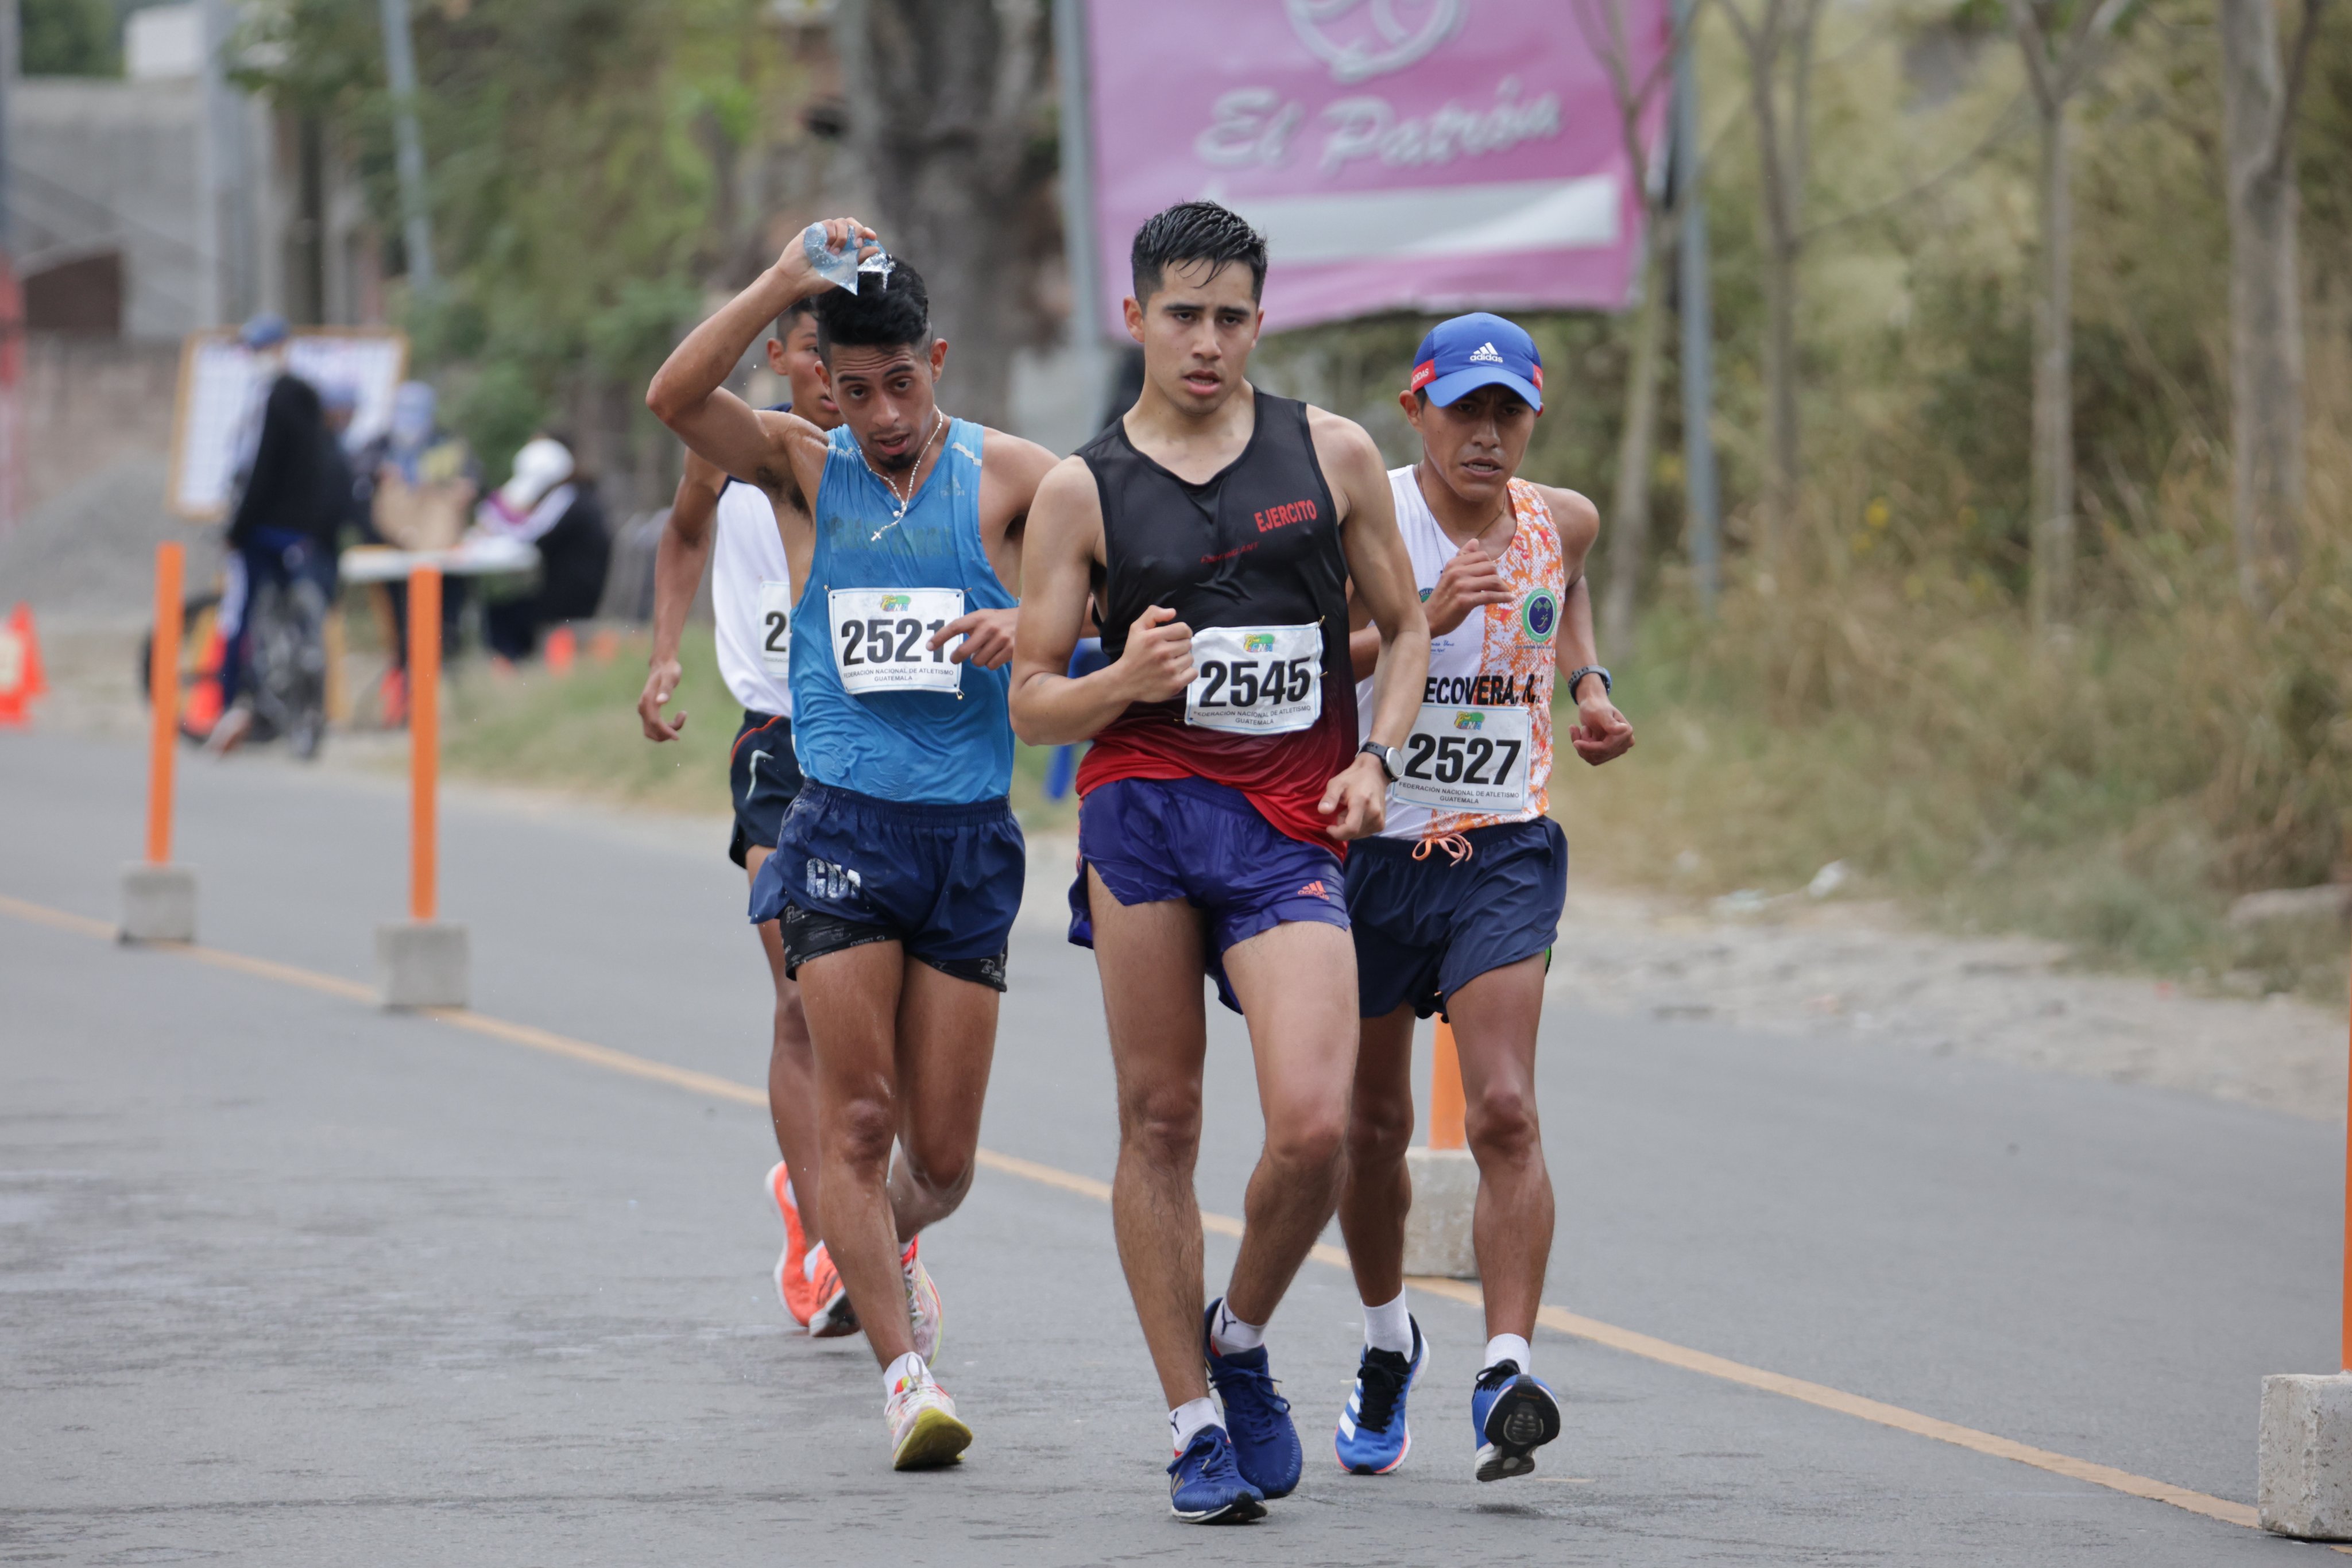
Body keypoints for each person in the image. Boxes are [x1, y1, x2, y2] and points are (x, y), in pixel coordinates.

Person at [1008, 200, 1431, 1524]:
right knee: (1163, 1121)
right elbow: (1030, 700)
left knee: (1313, 1126)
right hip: (1141, 813)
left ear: (1263, 319)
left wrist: (1379, 762)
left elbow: (1407, 628)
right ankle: (1193, 1421)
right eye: (1181, 315)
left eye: (1231, 317)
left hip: (1291, 821)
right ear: (1133, 315)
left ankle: (1241, 1336)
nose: (1206, 343)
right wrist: (1119, 678)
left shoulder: (1335, 453)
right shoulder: (1083, 490)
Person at [647, 219, 1056, 1471]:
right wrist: (778, 280)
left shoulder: (1011, 477)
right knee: (859, 1116)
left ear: (936, 362)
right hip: (839, 829)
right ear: (820, 372)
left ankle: (849, 1228)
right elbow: (673, 398)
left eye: (902, 384)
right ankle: (905, 1378)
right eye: (854, 386)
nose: (880, 413)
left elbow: (1103, 569)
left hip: (969, 843)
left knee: (940, 1161)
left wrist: (1027, 626)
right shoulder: (796, 468)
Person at [1327, 313, 1634, 1484]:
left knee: (1503, 1108)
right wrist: (1419, 623)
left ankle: (1504, 1367)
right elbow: (1314, 658)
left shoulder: (1558, 521)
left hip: (1501, 847)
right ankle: (1383, 1337)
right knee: (1372, 1129)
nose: (1489, 434)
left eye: (1509, 413)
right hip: (1366, 850)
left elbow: (1572, 581)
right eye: (1466, 410)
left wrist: (1589, 686)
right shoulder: (1372, 522)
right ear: (1416, 411)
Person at [636, 297, 854, 1338]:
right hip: (777, 742)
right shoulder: (738, 450)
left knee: (871, 1012)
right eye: (817, 353)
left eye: (855, 357)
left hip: (879, 748)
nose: (833, 373)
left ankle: (849, 1203)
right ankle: (825, 1238)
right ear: (780, 354)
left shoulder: (902, 457)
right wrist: (668, 650)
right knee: (801, 997)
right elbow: (684, 535)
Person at [208, 314, 353, 755]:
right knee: (299, 610)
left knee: (244, 609)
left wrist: (237, 527)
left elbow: (261, 472)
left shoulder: (276, 399)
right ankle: (297, 698)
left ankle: (234, 702)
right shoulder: (309, 403)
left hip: (265, 525)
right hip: (301, 529)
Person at [357, 381, 478, 723]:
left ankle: (437, 702)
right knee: (400, 629)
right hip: (393, 555)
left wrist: (462, 489)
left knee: (443, 627)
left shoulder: (447, 444)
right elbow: (359, 482)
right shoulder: (379, 447)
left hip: (441, 557)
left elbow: (473, 478)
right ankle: (403, 698)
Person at [476, 432, 611, 664]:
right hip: (577, 590)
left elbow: (531, 534)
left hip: (574, 599)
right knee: (506, 607)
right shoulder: (577, 494)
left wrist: (495, 519)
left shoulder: (567, 497)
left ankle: (511, 668)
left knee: (500, 612)